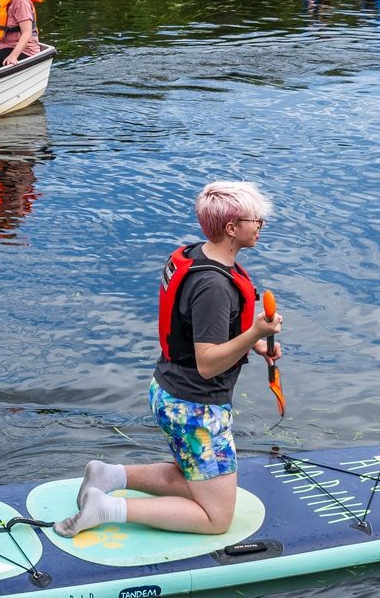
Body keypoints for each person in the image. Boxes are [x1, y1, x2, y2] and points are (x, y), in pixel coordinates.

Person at [55, 181, 282, 538]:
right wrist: (255, 332)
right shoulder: (214, 287)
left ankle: (109, 476)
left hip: (169, 390)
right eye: (256, 220)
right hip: (195, 407)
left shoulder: (195, 255)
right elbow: (207, 363)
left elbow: (196, 332)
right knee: (217, 517)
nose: (261, 226)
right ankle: (107, 509)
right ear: (231, 228)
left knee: (198, 479)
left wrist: (249, 344)